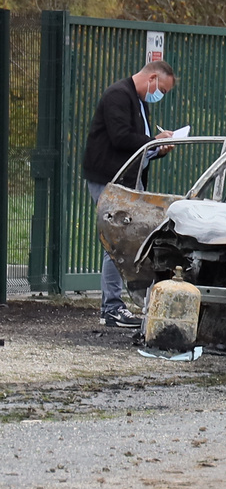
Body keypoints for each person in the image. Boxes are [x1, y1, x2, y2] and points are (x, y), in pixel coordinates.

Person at [82, 61, 177, 328]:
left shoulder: (137, 99)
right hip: (111, 181)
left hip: (128, 180)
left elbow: (136, 143)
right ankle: (111, 307)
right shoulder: (118, 96)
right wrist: (153, 142)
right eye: (163, 90)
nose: (160, 95)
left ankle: (117, 305)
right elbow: (121, 137)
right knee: (118, 244)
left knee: (128, 243)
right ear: (153, 78)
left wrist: (157, 149)